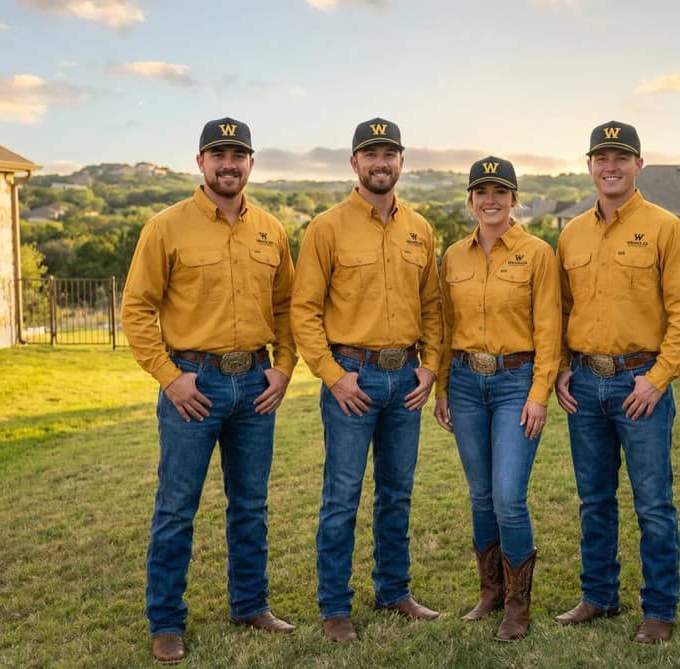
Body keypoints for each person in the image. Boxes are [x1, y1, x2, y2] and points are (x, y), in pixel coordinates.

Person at [121, 117, 298, 664]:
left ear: (251, 163)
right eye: (218, 155)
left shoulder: (270, 230)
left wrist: (283, 368)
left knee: (251, 505)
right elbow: (136, 309)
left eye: (238, 155)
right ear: (200, 162)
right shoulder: (166, 227)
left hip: (256, 384)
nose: (229, 164)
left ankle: (250, 605)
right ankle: (166, 622)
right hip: (193, 385)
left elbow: (286, 307)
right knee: (177, 508)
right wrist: (169, 377)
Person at [290, 117, 444, 642]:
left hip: (406, 379)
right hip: (350, 380)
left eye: (389, 153)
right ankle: (335, 607)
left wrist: (430, 366)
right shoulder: (326, 228)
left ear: (401, 161)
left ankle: (394, 591)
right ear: (354, 162)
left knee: (397, 493)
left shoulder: (420, 228)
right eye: (371, 154)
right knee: (342, 496)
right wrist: (334, 377)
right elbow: (304, 311)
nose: (381, 163)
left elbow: (432, 307)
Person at [552, 121, 680, 644]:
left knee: (653, 503)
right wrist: (564, 366)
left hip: (641, 385)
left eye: (621, 157)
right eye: (602, 157)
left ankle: (659, 609)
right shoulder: (572, 233)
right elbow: (562, 308)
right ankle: (598, 596)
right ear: (589, 165)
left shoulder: (666, 228)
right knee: (594, 500)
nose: (611, 166)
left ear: (639, 164)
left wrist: (657, 380)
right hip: (585, 384)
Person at [432, 156, 561, 641]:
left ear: (514, 199)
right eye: (482, 192)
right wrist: (443, 387)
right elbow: (445, 327)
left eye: (500, 192)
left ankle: (517, 604)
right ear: (470, 200)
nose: (491, 200)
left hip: (515, 383)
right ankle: (490, 591)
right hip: (466, 383)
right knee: (481, 495)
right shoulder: (453, 257)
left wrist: (539, 393)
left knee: (508, 496)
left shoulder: (538, 254)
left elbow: (549, 329)